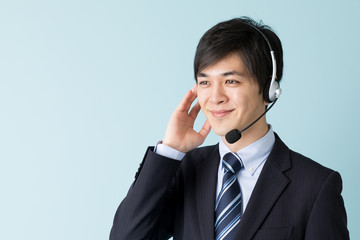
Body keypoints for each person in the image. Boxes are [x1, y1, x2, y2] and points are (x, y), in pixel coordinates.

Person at [109, 17, 349, 240]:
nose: (215, 97)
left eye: (231, 81)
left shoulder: (316, 186)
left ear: (269, 90)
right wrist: (171, 150)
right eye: (205, 82)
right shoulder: (185, 171)